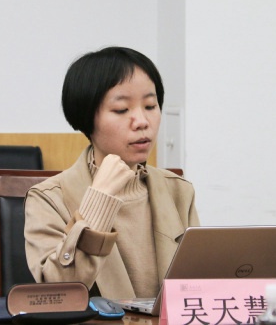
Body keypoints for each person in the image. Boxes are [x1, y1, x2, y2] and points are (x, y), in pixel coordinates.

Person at [24, 46, 199, 300]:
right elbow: (59, 291)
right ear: (87, 118)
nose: (142, 121)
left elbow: (200, 285)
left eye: (150, 106)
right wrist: (100, 198)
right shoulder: (48, 198)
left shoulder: (179, 191)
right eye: (121, 110)